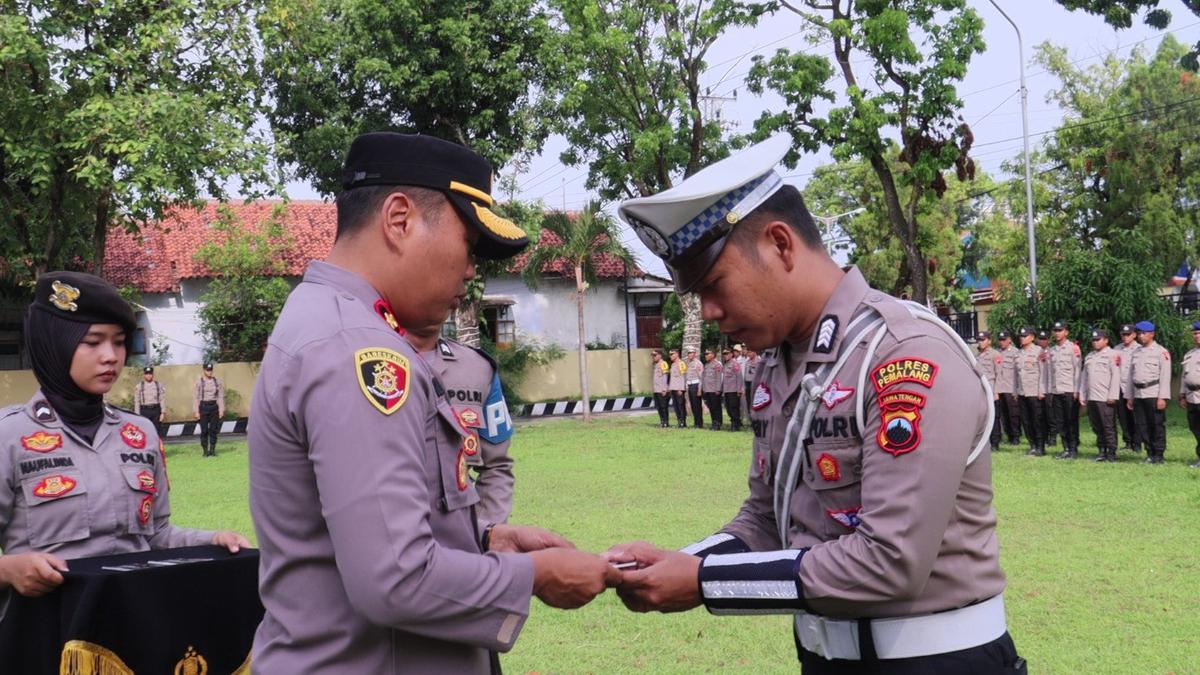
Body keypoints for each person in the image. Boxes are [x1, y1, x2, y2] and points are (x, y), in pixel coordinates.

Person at [610, 134, 1021, 672]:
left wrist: (704, 581)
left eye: (714, 284)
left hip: (935, 660)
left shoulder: (902, 352)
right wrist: (682, 562)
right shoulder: (777, 363)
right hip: (824, 656)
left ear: (781, 244)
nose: (708, 312)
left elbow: (889, 561)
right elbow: (766, 518)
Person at [247, 132, 616, 673]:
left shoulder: (330, 321)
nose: (470, 271)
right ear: (399, 220)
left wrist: (485, 540)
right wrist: (534, 577)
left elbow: (364, 531)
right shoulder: (360, 349)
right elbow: (396, 578)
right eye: (468, 244)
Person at [0, 272, 248, 602]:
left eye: (118, 342)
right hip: (49, 625)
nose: (111, 356)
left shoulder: (139, 433)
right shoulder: (10, 435)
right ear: (56, 344)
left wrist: (212, 541)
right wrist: (8, 570)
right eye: (93, 342)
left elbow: (157, 535)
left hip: (133, 620)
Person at [404, 323, 515, 529]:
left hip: (460, 538)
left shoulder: (477, 368)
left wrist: (486, 533)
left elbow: (496, 466)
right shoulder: (360, 361)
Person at [1127, 321, 1172, 465]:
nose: (1141, 336)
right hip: (1138, 393)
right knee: (1142, 425)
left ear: (1152, 334)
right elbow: (1131, 375)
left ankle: (1158, 454)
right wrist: (1130, 396)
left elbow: (1165, 376)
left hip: (1153, 393)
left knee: (1156, 424)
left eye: (1144, 333)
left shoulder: (1161, 352)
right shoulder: (1136, 352)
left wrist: (1162, 397)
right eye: (1139, 333)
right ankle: (1149, 452)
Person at [1078, 329, 1121, 462]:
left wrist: (1113, 395)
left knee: (1108, 426)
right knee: (1096, 425)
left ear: (1106, 340)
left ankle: (1111, 452)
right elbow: (1084, 377)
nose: (1095, 342)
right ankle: (1102, 451)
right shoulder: (1090, 356)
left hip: (1105, 397)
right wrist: (1082, 394)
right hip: (1092, 397)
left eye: (1098, 339)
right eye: (1093, 340)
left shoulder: (1113, 355)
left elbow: (1116, 376)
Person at [1047, 321, 1082, 459]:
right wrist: (1050, 390)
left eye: (1060, 330)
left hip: (1069, 390)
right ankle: (1066, 447)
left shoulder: (1073, 348)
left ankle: (1073, 448)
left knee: (1071, 420)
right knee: (1060, 421)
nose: (1057, 333)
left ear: (1066, 332)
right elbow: (1050, 372)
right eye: (1055, 330)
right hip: (1056, 390)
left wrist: (1076, 390)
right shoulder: (1052, 350)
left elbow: (1077, 370)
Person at [1016, 327, 1046, 456]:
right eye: (1021, 336)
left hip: (1034, 391)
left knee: (1037, 420)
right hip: (1022, 391)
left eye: (1025, 336)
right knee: (1026, 420)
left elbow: (1043, 372)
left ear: (1032, 337)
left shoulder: (1039, 351)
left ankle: (1040, 446)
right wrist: (1015, 391)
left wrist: (1041, 390)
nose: (1022, 338)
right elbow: (1016, 375)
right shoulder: (1018, 353)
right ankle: (1032, 445)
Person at [1114, 324, 1140, 453]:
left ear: (1134, 335)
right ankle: (1128, 441)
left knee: (1135, 416)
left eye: (1128, 334)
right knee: (1122, 416)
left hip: (1133, 388)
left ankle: (1137, 443)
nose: (1125, 337)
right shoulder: (1116, 349)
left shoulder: (1139, 349)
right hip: (1119, 387)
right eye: (1123, 334)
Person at [975, 330, 1002, 452]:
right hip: (980, 391)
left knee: (994, 417)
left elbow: (999, 374)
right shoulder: (977, 355)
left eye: (983, 340)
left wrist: (997, 391)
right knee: (983, 417)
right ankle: (985, 441)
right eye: (979, 340)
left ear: (989, 341)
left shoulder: (995, 354)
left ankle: (995, 442)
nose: (980, 342)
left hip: (991, 389)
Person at [192, 362, 225, 457]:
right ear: (204, 370)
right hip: (203, 407)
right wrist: (196, 411)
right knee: (204, 430)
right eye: (207, 370)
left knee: (214, 430)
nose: (209, 372)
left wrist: (221, 410)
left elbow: (220, 396)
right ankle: (205, 451)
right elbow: (195, 397)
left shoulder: (217, 382)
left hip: (214, 407)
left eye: (211, 370)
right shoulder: (199, 382)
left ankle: (212, 450)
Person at [995, 330, 1022, 444]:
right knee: (1003, 414)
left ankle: (1016, 436)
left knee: (1013, 414)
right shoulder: (996, 353)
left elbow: (1019, 372)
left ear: (1009, 340)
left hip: (1011, 388)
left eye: (1004, 340)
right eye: (1000, 340)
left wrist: (1018, 389)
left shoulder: (1016, 352)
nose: (1002, 342)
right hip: (1000, 388)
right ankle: (1008, 435)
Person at [1180, 321, 1200, 469]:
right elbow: (1184, 376)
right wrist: (1182, 395)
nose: (1197, 336)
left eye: (1199, 333)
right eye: (1195, 333)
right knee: (1195, 428)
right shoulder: (1190, 354)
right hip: (1192, 395)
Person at [133, 365, 167, 439]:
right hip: (144, 410)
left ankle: (156, 445)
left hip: (156, 410)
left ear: (153, 375)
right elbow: (137, 401)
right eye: (147, 374)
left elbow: (162, 399)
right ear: (144, 375)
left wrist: (163, 413)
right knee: (145, 431)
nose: (148, 376)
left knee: (156, 431)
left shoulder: (158, 385)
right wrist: (137, 415)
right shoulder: (139, 386)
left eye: (150, 374)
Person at [1036, 330, 1055, 449]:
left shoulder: (1052, 352)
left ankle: (1053, 437)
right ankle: (1045, 437)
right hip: (1039, 388)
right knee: (1041, 415)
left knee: (1050, 415)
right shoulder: (1035, 352)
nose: (1042, 341)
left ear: (1048, 340)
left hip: (1050, 388)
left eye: (1044, 339)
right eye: (1040, 339)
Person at [720, 348, 743, 432]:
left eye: (727, 354)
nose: (725, 355)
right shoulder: (725, 364)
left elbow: (739, 377)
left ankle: (735, 424)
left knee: (734, 408)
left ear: (731, 354)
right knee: (728, 408)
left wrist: (739, 390)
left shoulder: (735, 364)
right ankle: (734, 422)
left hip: (733, 390)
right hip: (726, 390)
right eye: (724, 354)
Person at [701, 348, 724, 430]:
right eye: (705, 354)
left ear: (713, 355)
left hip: (714, 390)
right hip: (707, 390)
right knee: (711, 407)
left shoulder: (717, 364)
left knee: (716, 407)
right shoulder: (706, 365)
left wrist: (718, 389)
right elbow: (704, 378)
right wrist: (703, 389)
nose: (706, 356)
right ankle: (714, 422)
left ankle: (718, 423)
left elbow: (719, 378)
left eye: (708, 354)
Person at [685, 347, 705, 429]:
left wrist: (699, 389)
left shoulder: (698, 363)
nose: (689, 354)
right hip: (690, 385)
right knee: (693, 405)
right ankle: (696, 422)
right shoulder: (688, 363)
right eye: (688, 353)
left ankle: (699, 423)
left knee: (697, 405)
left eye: (691, 353)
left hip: (696, 385)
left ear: (695, 354)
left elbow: (701, 377)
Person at [667, 349, 688, 428]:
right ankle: (679, 421)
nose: (670, 356)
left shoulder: (681, 363)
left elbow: (683, 377)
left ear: (677, 354)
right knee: (675, 406)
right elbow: (672, 378)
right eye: (670, 354)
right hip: (673, 388)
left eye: (672, 354)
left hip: (679, 389)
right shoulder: (673, 365)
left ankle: (683, 422)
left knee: (681, 406)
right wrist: (670, 387)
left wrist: (681, 388)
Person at [651, 350, 671, 428]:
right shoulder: (656, 365)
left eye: (655, 355)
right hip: (656, 389)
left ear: (660, 355)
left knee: (663, 407)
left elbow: (665, 376)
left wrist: (664, 388)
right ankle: (662, 421)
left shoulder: (663, 363)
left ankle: (666, 422)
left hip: (662, 389)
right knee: (658, 407)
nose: (653, 357)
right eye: (653, 355)